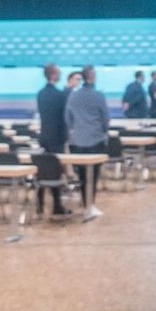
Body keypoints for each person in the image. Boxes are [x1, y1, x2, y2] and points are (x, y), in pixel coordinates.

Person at [66, 64, 109, 217]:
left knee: (82, 175)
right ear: (91, 77)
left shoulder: (73, 95)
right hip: (95, 140)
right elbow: (105, 119)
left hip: (77, 141)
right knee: (93, 176)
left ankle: (86, 204)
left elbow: (68, 118)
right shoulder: (99, 95)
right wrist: (104, 132)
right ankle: (89, 205)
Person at [35, 63, 68, 215]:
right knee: (55, 171)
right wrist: (68, 90)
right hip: (56, 138)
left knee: (43, 170)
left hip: (44, 136)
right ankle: (57, 205)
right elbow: (63, 113)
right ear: (54, 75)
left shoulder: (41, 93)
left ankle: (40, 204)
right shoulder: (59, 94)